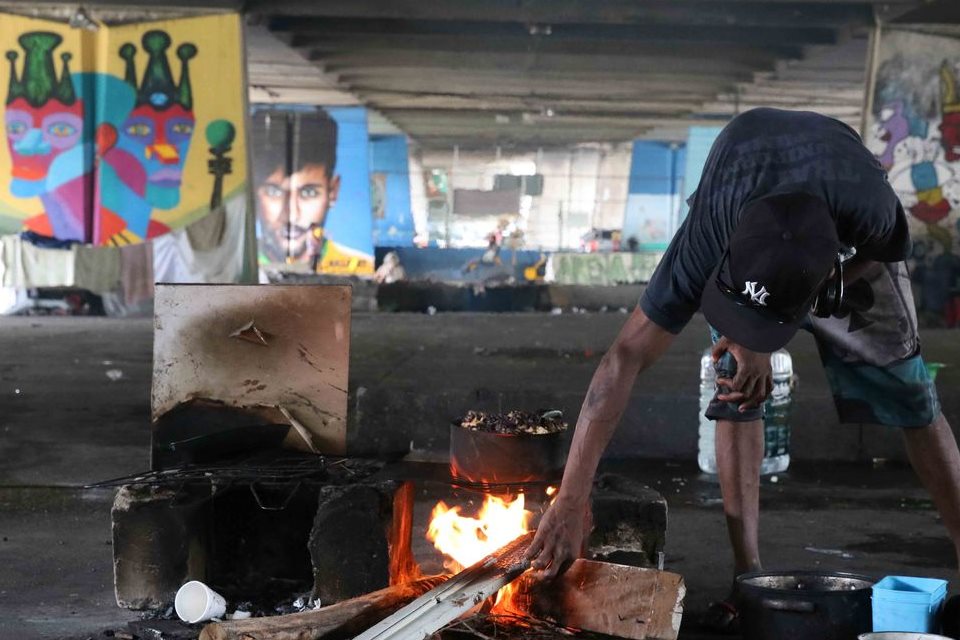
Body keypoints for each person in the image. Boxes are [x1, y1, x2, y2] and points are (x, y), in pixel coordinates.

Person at [526, 108, 960, 628]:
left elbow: (883, 251)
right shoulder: (706, 238)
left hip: (836, 234)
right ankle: (748, 576)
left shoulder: (870, 207)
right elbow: (624, 357)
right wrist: (572, 498)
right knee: (735, 380)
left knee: (910, 396)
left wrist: (828, 286)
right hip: (746, 187)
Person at [253, 108, 370, 272]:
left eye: (308, 193)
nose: (292, 214)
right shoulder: (232, 270)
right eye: (274, 192)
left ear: (333, 191)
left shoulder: (359, 269)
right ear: (253, 193)